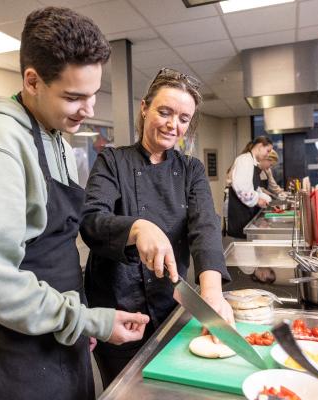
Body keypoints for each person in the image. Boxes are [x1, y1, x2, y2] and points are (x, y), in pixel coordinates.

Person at [0, 7, 150, 400]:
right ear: (32, 81)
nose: (89, 109)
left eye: (93, 94)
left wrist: (76, 319)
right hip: (4, 350)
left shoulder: (55, 137)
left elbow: (54, 244)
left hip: (51, 334)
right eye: (74, 97)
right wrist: (84, 319)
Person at [80, 68, 233, 387]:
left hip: (170, 304)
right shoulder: (112, 162)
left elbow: (205, 227)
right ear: (144, 107)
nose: (172, 124)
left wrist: (212, 294)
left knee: (173, 387)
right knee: (125, 390)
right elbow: (91, 221)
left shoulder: (191, 170)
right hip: (119, 310)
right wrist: (136, 229)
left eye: (183, 118)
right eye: (164, 112)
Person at [226, 137, 274, 238]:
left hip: (247, 212)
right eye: (268, 151)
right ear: (260, 146)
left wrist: (265, 198)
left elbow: (254, 188)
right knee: (241, 243)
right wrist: (257, 200)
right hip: (240, 213)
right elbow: (241, 188)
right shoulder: (244, 160)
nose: (268, 154)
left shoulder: (253, 162)